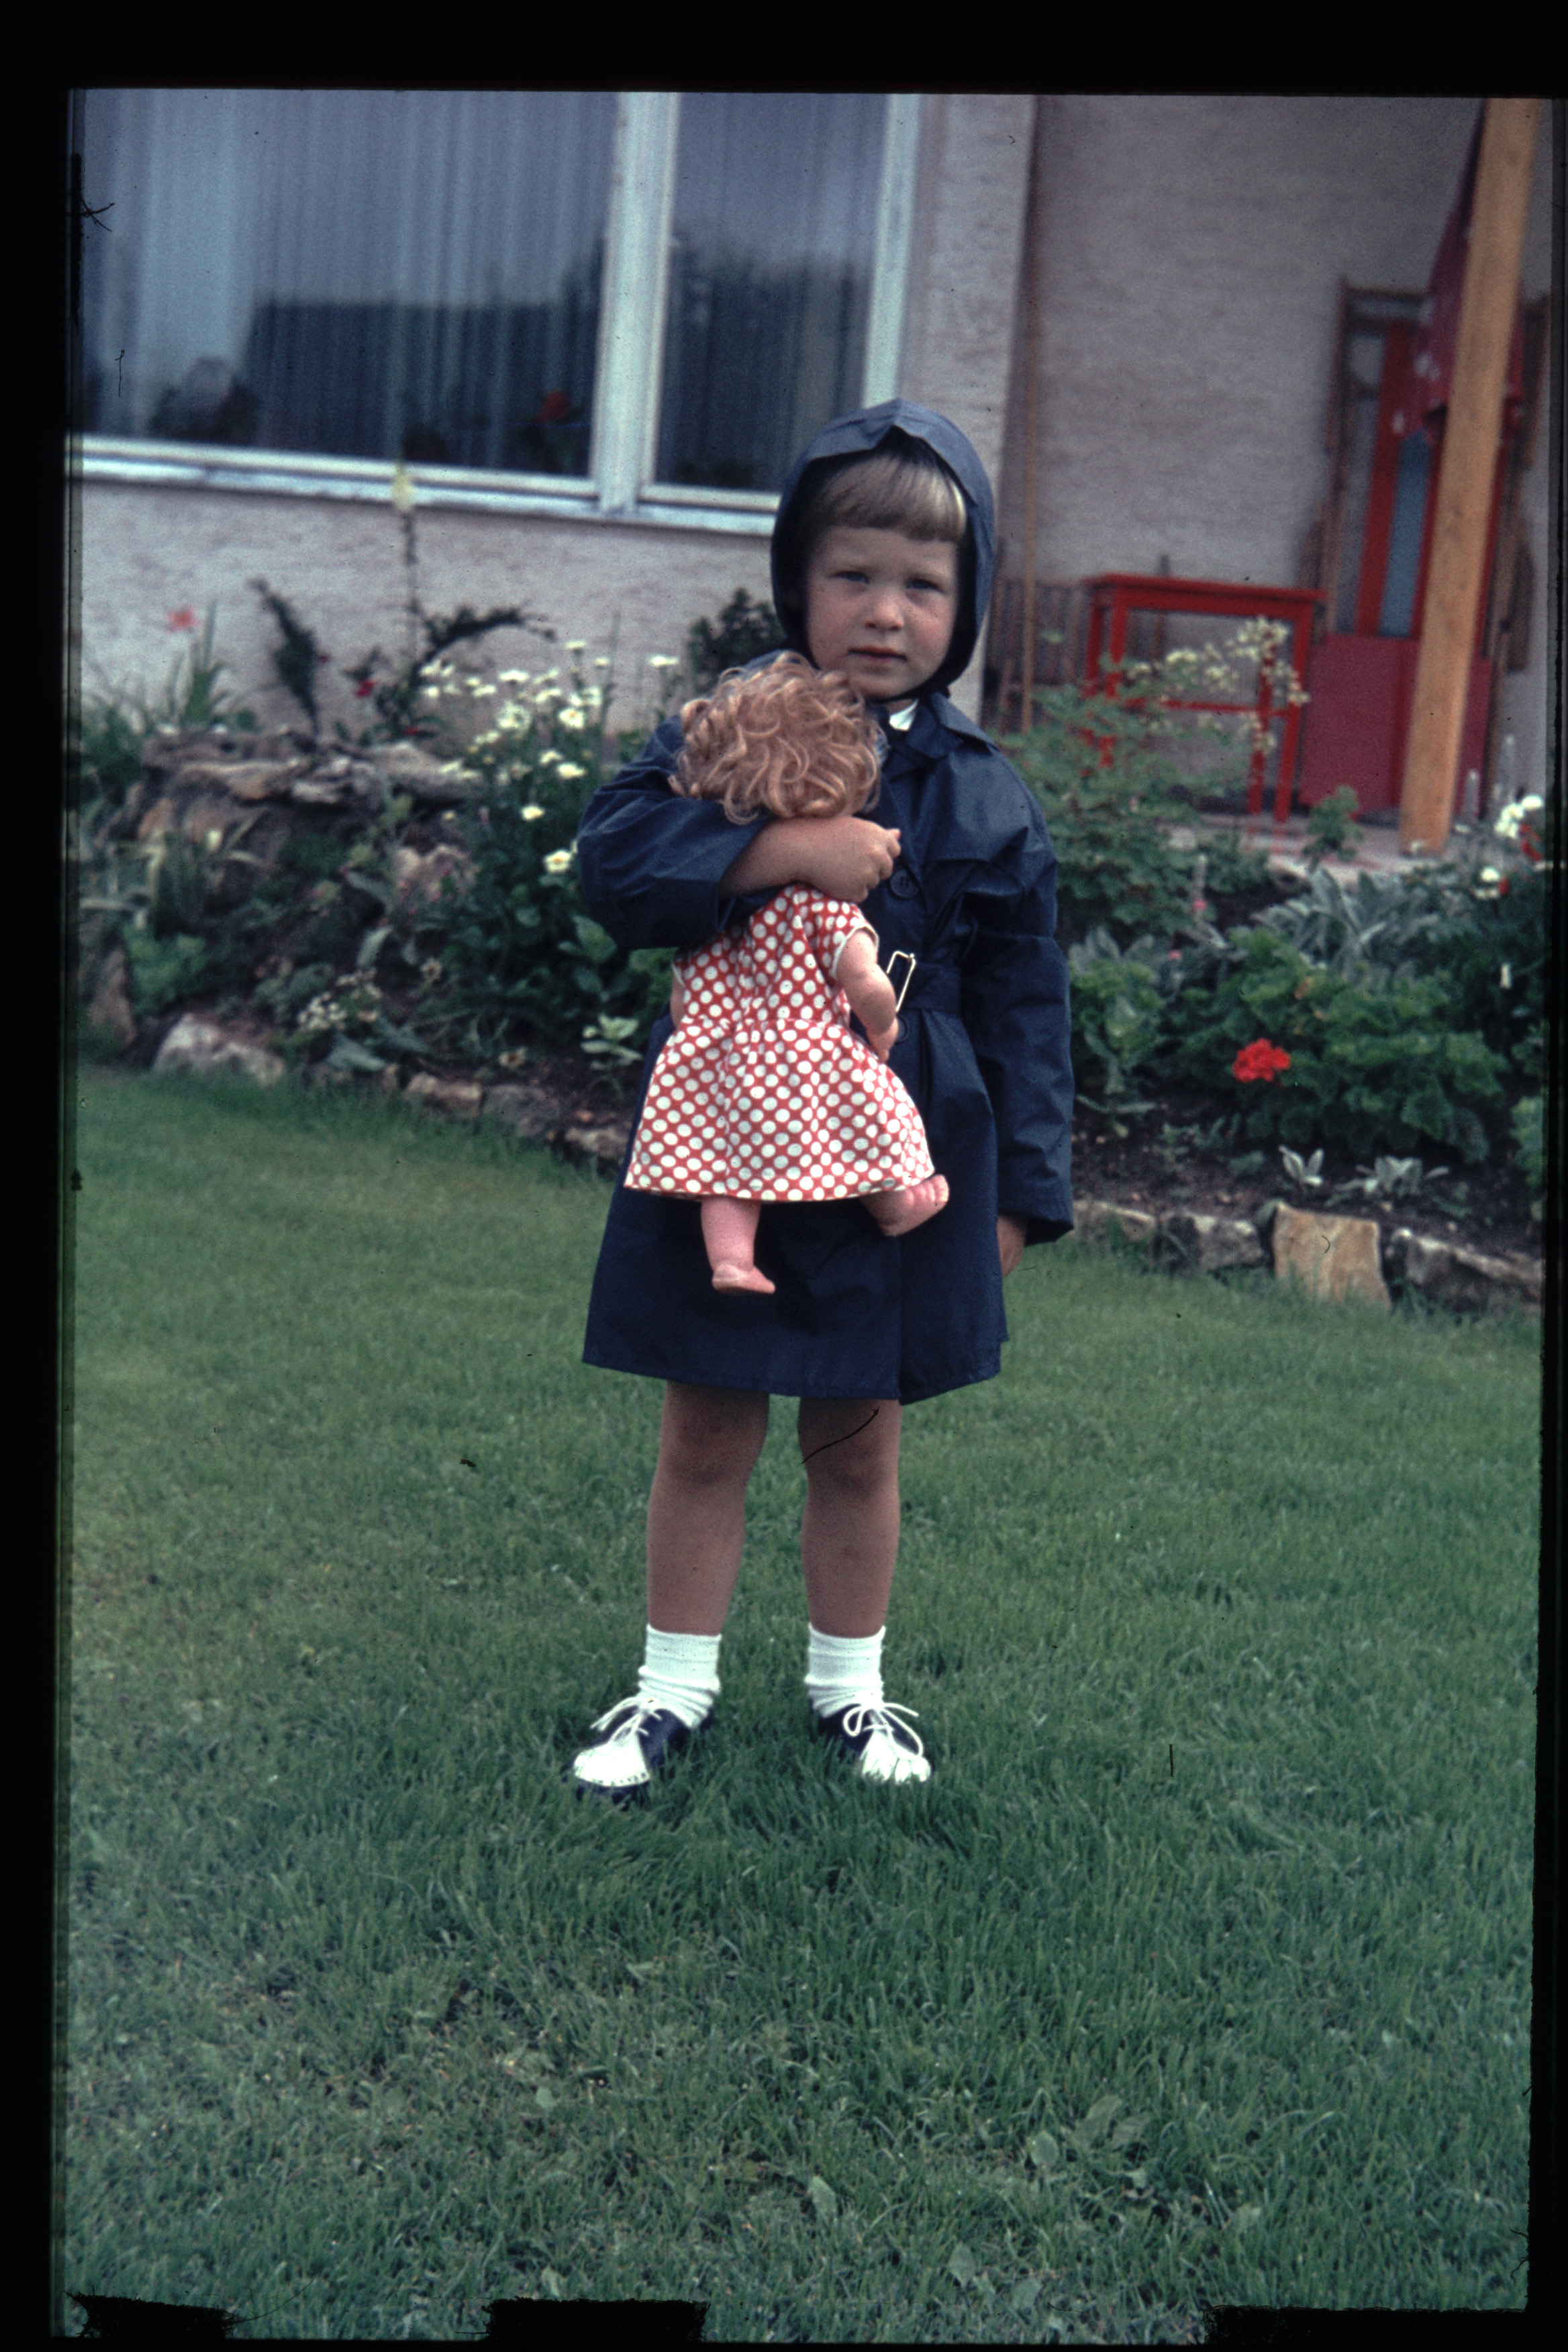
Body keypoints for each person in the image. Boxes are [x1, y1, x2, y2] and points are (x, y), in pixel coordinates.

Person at [571, 399, 1074, 1799]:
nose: (885, 611)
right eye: (853, 573)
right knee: (706, 1425)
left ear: (966, 603)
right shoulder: (726, 729)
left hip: (894, 1151)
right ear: (798, 578)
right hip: (728, 1135)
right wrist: (785, 845)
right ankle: (671, 1690)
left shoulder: (985, 794)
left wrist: (1023, 1196)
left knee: (859, 1439)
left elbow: (1029, 1005)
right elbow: (613, 864)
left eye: (924, 584)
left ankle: (850, 1695)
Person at [623, 652, 950, 1295]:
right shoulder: (820, 906)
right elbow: (865, 980)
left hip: (718, 1056)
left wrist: (706, 1040)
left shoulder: (720, 907)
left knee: (721, 1163)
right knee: (871, 1123)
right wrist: (882, 1028)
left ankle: (731, 1260)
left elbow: (686, 996)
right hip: (806, 1055)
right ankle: (895, 1206)